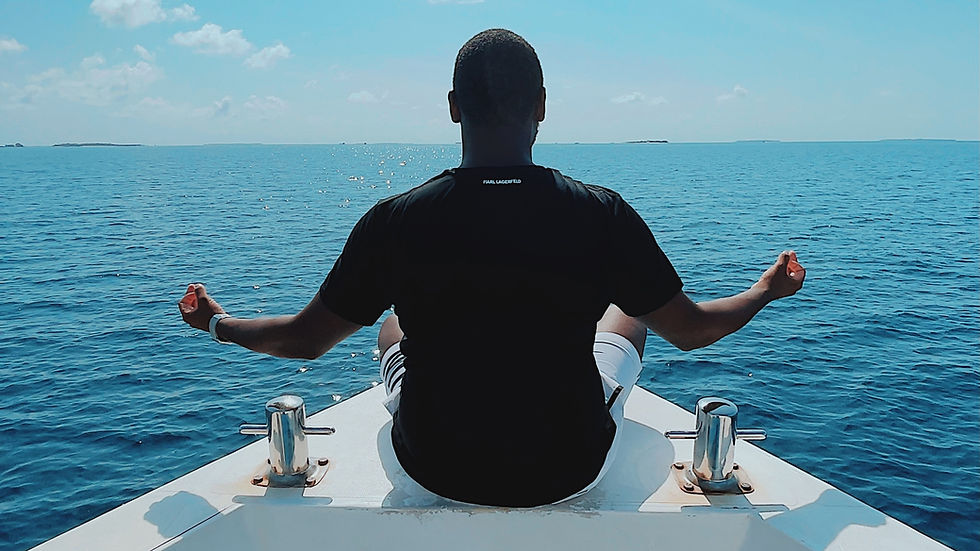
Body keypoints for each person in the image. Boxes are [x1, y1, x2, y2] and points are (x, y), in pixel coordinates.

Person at [178, 28, 805, 507]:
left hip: (436, 463)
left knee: (393, 325)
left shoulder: (396, 221)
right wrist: (764, 291)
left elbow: (305, 340)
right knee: (629, 319)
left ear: (454, 107)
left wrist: (218, 324)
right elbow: (692, 330)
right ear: (541, 106)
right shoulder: (600, 214)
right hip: (569, 464)